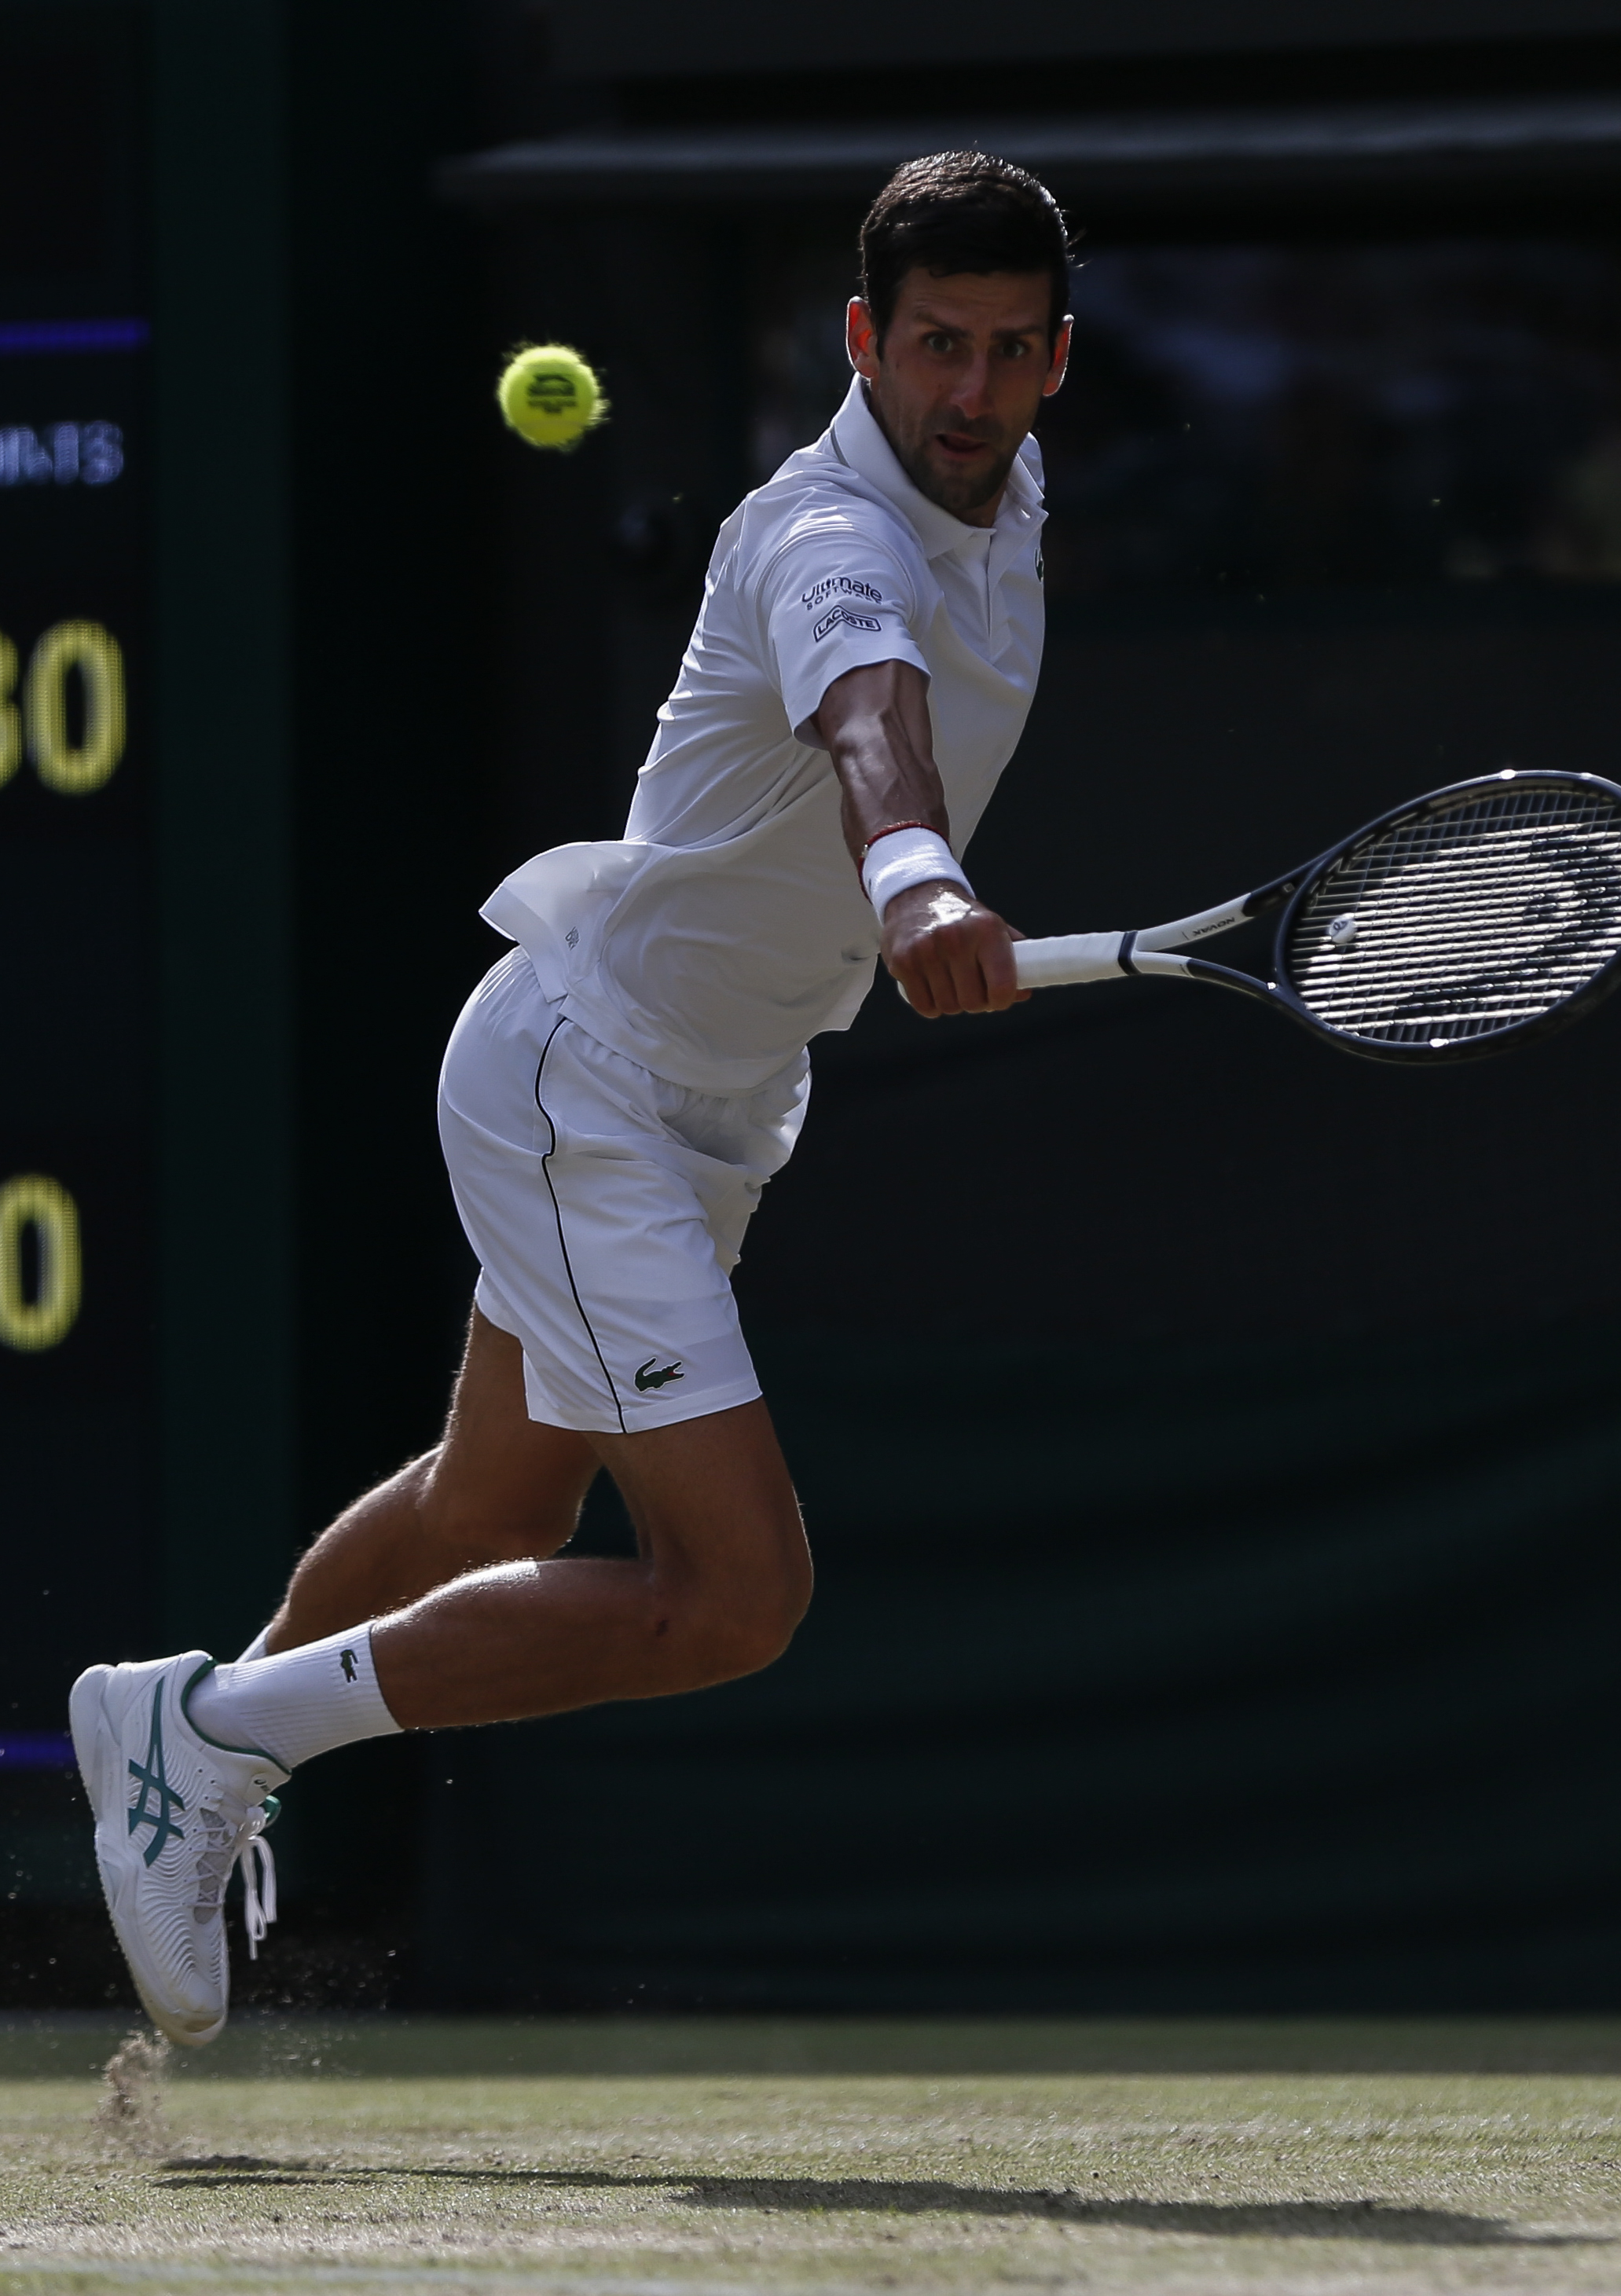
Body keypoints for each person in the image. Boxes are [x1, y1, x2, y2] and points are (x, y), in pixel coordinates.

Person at [68, 149, 1073, 2045]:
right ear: (859, 342)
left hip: (707, 1094)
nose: (967, 391)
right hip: (581, 1088)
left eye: (1008, 352)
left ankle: (194, 1766)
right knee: (729, 1592)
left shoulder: (1008, 492)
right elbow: (873, 718)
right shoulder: (826, 538)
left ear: (1052, 363)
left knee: (479, 1498)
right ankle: (208, 1731)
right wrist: (915, 884)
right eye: (934, 345)